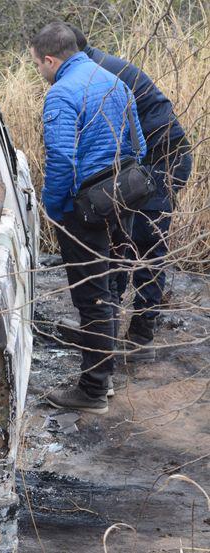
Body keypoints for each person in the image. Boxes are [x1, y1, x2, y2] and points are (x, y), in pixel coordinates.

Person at [31, 22, 145, 414]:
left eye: (38, 66)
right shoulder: (114, 80)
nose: (40, 74)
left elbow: (61, 159)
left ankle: (93, 390)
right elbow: (139, 143)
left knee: (92, 296)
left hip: (86, 208)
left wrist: (54, 206)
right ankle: (105, 378)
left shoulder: (61, 93)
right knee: (109, 288)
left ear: (49, 58)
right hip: (123, 197)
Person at [67, 24, 192, 360]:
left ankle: (140, 334)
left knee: (146, 246)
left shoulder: (101, 76)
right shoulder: (94, 68)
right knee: (121, 240)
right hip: (144, 163)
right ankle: (110, 324)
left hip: (163, 161)